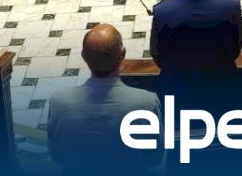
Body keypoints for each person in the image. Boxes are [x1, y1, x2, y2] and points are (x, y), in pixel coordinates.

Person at [48, 24, 165, 174]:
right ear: (123, 54)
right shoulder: (147, 103)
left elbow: (57, 157)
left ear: (83, 56)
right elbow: (155, 159)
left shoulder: (59, 103)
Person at [150, 0, 242, 111]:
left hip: (177, 92)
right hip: (222, 89)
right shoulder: (230, 6)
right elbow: (236, 48)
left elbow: (157, 54)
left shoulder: (163, 11)